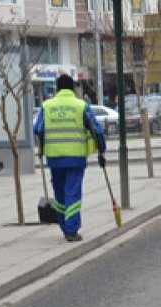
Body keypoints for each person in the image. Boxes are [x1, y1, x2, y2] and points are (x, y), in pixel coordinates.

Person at [33, 74, 106, 242]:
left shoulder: (47, 106)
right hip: (75, 157)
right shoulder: (81, 106)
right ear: (73, 88)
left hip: (54, 158)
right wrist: (101, 149)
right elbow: (96, 130)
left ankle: (65, 227)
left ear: (57, 89)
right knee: (72, 192)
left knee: (59, 193)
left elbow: (38, 129)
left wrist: (43, 146)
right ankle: (71, 230)